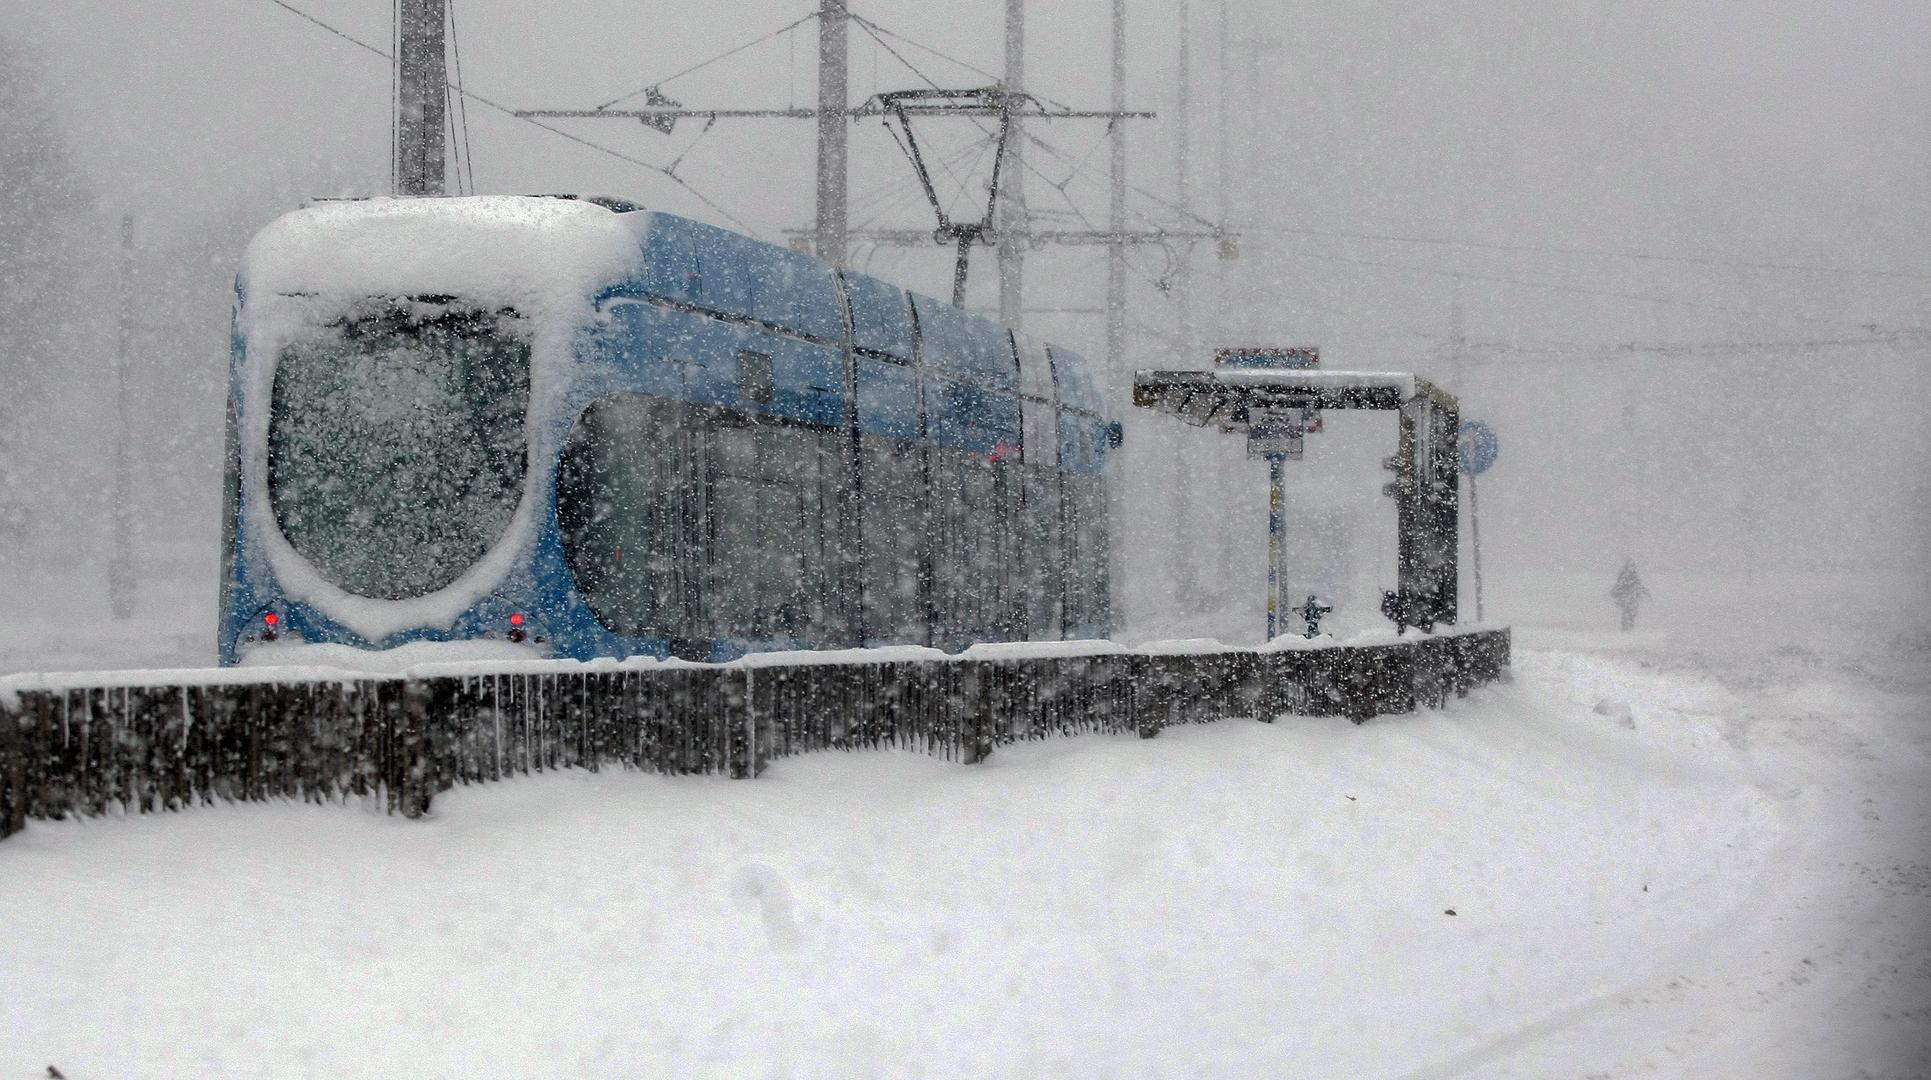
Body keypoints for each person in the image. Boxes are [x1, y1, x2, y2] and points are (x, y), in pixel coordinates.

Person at [1610, 559, 1649, 632]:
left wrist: (1644, 592)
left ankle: (1628, 630)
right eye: (1631, 565)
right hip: (1627, 600)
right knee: (1627, 615)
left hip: (1631, 599)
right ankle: (1626, 631)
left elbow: (1638, 586)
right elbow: (1619, 586)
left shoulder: (1633, 576)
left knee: (1630, 615)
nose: (1632, 567)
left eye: (1633, 566)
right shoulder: (1625, 576)